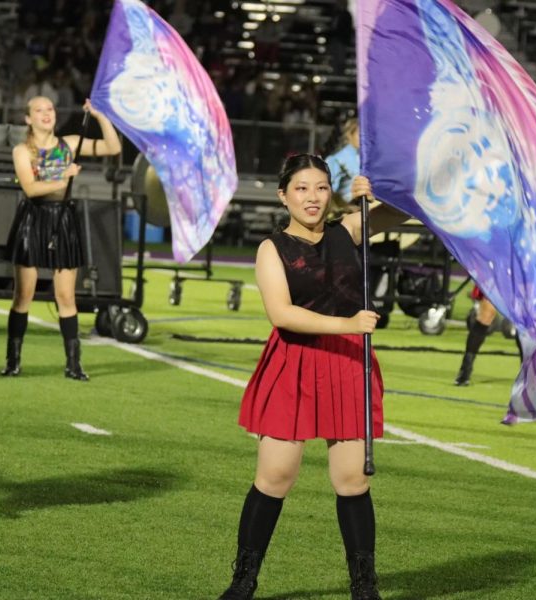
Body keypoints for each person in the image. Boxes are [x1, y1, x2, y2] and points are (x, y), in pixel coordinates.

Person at [218, 155, 406, 600]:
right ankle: (243, 581)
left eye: (321, 187)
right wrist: (350, 325)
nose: (313, 197)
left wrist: (378, 191)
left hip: (346, 365)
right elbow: (282, 315)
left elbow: (412, 210)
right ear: (284, 195)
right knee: (275, 477)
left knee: (351, 482)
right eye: (301, 188)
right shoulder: (271, 248)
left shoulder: (350, 227)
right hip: (295, 363)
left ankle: (364, 587)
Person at [1, 96, 121, 380]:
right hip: (33, 219)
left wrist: (100, 115)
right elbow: (30, 189)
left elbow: (113, 147)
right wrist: (63, 178)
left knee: (66, 296)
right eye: (38, 110)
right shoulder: (22, 151)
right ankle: (13, 360)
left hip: (63, 219)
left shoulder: (70, 143)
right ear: (28, 118)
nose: (46, 113)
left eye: (50, 108)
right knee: (23, 296)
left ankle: (74, 364)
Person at [326, 117, 360, 214]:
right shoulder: (336, 160)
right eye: (359, 134)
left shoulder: (368, 159)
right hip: (342, 211)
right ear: (350, 135)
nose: (364, 138)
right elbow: (329, 191)